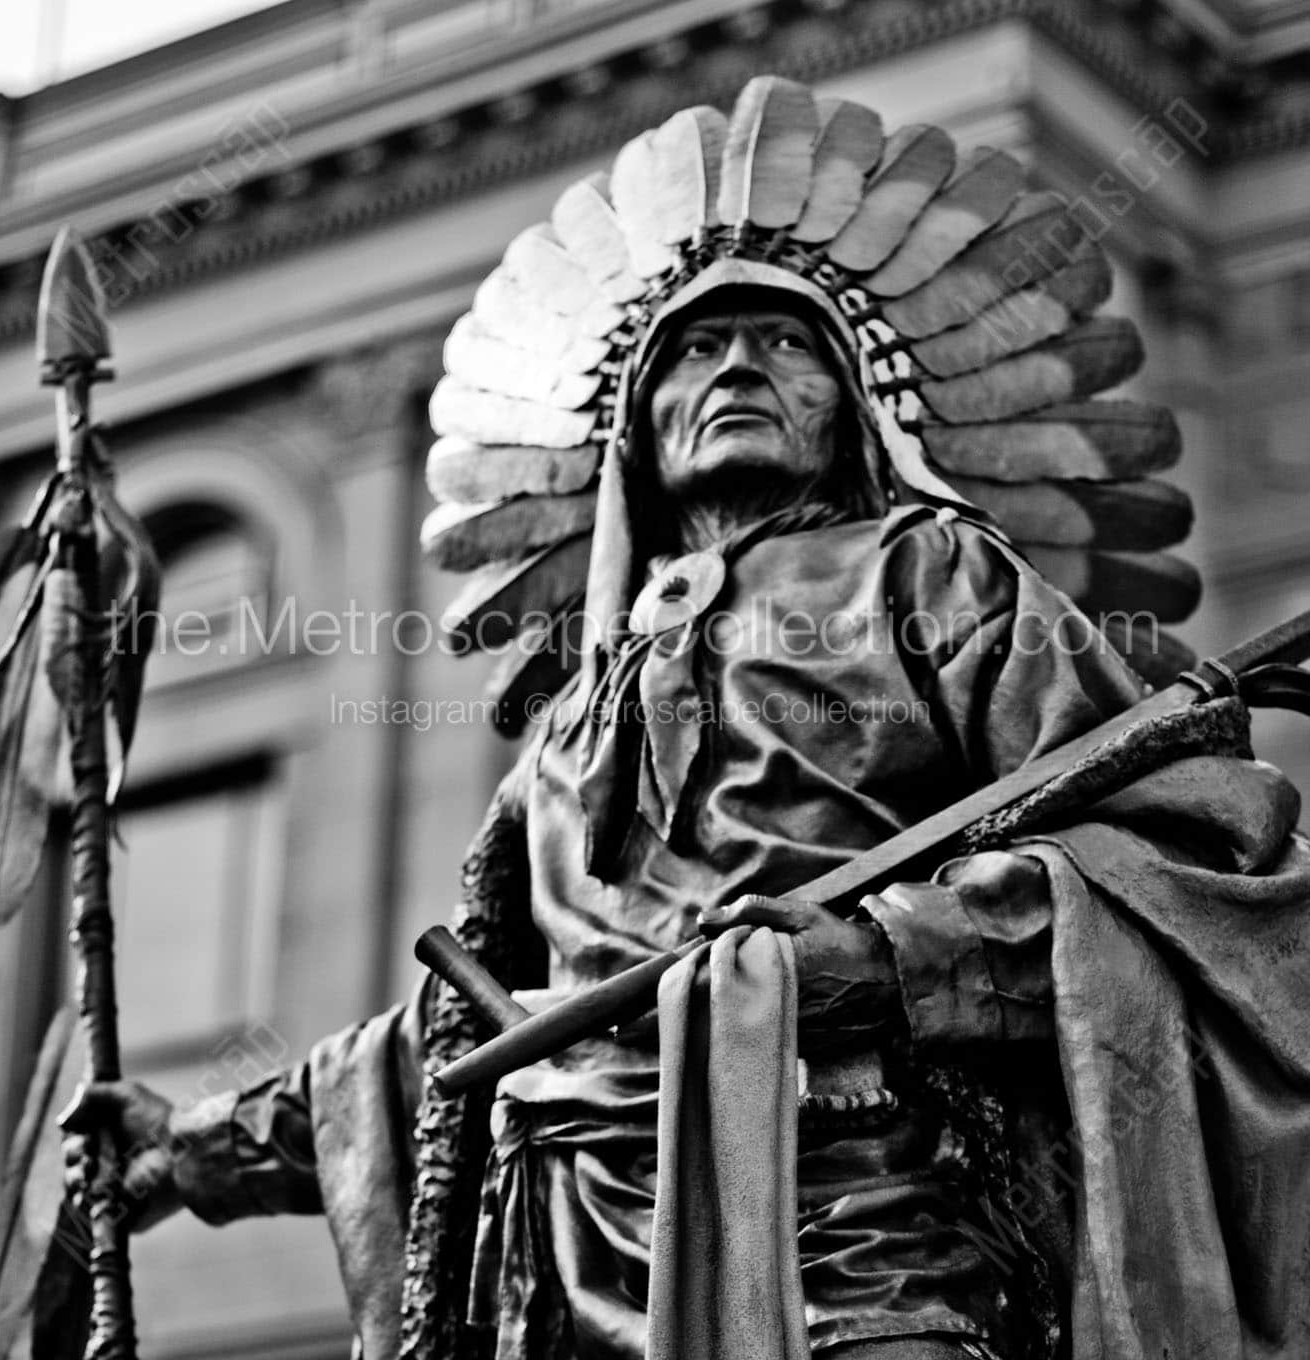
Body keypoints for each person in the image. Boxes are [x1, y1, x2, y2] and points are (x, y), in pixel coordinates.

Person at [63, 79, 1310, 1360]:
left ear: (850, 401)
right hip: (570, 1265)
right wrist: (196, 1143)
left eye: (784, 345)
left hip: (859, 1226)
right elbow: (480, 1029)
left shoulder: (933, 572)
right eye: (695, 351)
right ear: (634, 431)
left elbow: (1177, 850)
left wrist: (890, 954)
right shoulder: (564, 730)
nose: (738, 369)